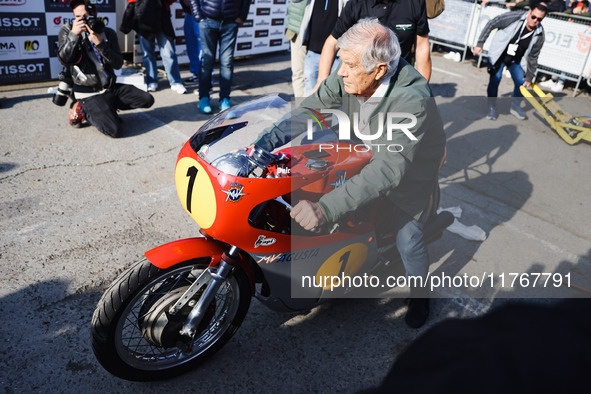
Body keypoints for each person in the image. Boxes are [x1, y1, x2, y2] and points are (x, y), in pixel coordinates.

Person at [253, 19, 446, 328]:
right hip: (365, 142)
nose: (339, 71)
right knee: (316, 176)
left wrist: (324, 208)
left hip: (409, 165)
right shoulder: (350, 76)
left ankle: (421, 294)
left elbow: (388, 170)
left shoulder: (412, 99)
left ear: (379, 70)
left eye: (349, 65)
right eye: (341, 61)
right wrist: (259, 147)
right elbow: (307, 113)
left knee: (408, 238)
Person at [58, 0, 154, 138]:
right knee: (114, 131)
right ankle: (82, 108)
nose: (83, 20)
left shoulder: (107, 32)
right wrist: (74, 36)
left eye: (86, 15)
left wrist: (100, 44)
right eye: (78, 17)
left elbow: (118, 64)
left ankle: (107, 108)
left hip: (109, 87)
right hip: (88, 92)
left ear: (95, 13)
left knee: (146, 99)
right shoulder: (68, 31)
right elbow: (65, 61)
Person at [313, 0, 432, 94]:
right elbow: (332, 43)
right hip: (361, 86)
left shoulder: (415, 2)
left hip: (399, 85)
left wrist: (422, 89)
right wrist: (321, 81)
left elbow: (422, 47)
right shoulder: (356, 4)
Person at [473, 1, 547, 120]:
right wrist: (480, 43)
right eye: (534, 17)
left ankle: (515, 106)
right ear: (529, 12)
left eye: (539, 19)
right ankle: (492, 107)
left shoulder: (539, 34)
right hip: (499, 55)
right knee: (495, 79)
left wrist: (530, 76)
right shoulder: (514, 17)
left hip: (516, 60)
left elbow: (534, 56)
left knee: (521, 82)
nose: (535, 21)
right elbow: (492, 23)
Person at [189, 0, 251, 114]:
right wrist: (198, 15)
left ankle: (225, 100)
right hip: (208, 20)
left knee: (227, 62)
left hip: (230, 22)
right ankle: (203, 98)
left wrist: (242, 17)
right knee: (207, 61)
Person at [128, 0, 187, 94]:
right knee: (147, 53)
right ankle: (152, 81)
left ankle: (176, 82)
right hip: (144, 18)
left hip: (163, 17)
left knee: (169, 52)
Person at [298, 0, 350, 96]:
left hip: (336, 53)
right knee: (311, 92)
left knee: (335, 94)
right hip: (312, 49)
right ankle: (309, 111)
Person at [286, 0, 308, 98]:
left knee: (318, 74)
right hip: (298, 28)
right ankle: (302, 109)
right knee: (299, 73)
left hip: (323, 30)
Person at [181, 0, 201, 84]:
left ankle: (207, 79)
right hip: (189, 13)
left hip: (201, 12)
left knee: (202, 48)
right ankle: (196, 74)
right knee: (191, 46)